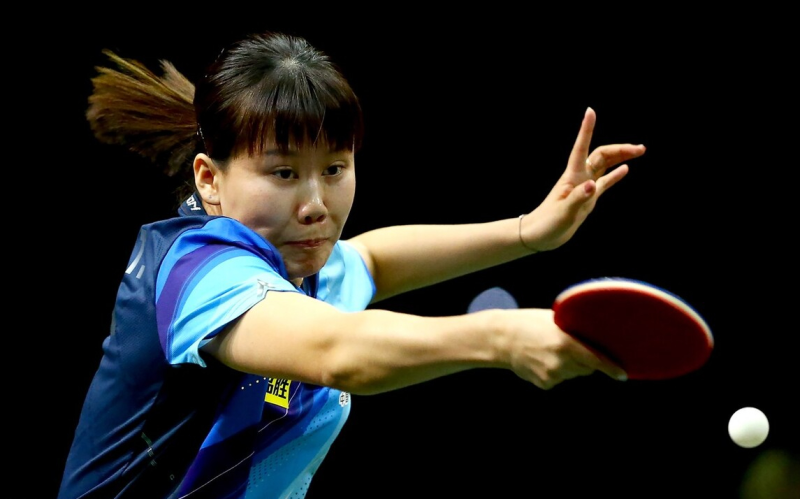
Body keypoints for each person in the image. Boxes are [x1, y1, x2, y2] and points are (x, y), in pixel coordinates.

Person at [58, 30, 646, 499]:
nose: (316, 204)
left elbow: (371, 260)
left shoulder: (295, 258)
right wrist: (500, 338)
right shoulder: (198, 271)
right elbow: (336, 352)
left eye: (335, 169)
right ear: (210, 179)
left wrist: (527, 232)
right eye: (284, 172)